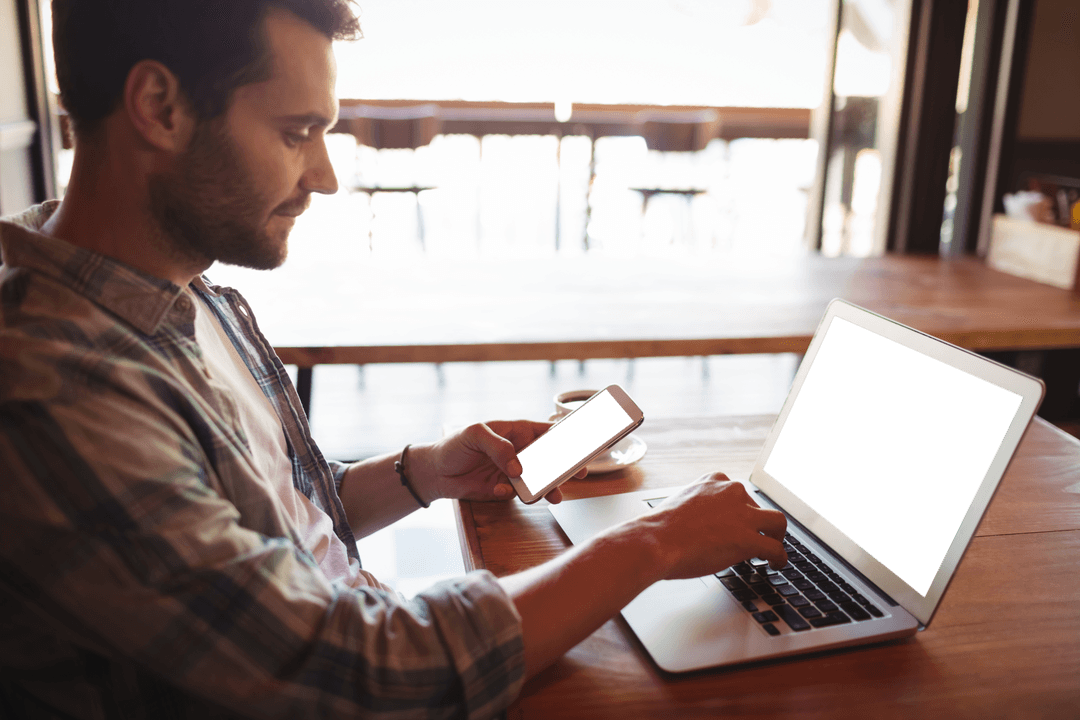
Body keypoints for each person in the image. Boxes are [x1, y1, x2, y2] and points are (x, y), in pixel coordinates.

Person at [0, 1, 788, 717]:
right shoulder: (55, 388)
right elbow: (353, 675)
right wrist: (653, 544)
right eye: (295, 133)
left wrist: (421, 473)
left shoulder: (182, 291)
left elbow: (275, 516)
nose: (327, 176)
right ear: (159, 108)